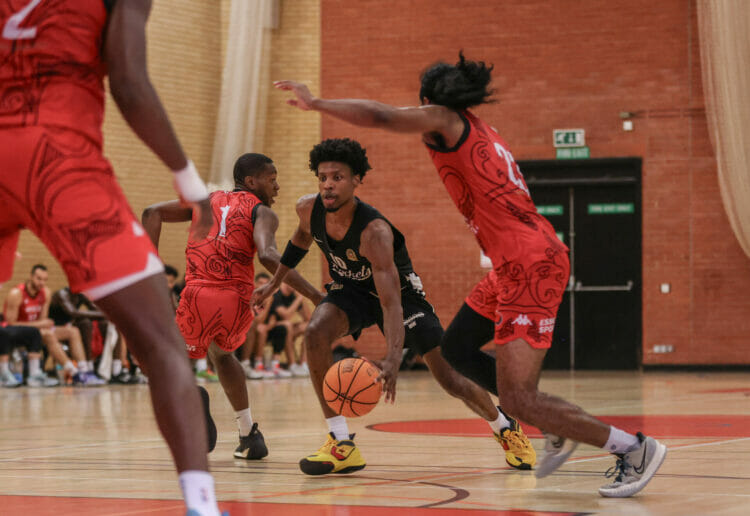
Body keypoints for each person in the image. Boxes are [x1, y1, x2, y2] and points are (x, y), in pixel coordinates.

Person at [274, 53, 667, 497]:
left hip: (530, 263)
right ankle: (550, 423)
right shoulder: (479, 128)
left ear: (428, 101)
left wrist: (317, 103)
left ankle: (633, 449)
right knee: (456, 350)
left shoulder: (444, 122)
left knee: (519, 398)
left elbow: (381, 116)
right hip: (511, 264)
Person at [0, 2, 222, 514]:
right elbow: (128, 80)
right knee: (164, 345)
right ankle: (202, 504)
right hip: (58, 162)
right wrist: (189, 181)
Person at [252, 138, 536, 475]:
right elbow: (300, 240)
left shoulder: (375, 232)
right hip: (350, 291)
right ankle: (341, 443)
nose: (328, 185)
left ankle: (504, 427)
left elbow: (390, 304)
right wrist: (274, 281)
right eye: (323, 177)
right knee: (314, 332)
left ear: (357, 180)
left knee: (449, 378)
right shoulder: (307, 208)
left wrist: (391, 357)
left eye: (337, 178)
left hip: (402, 297)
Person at [142, 152, 324, 460]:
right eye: (272, 179)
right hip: (236, 298)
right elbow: (268, 255)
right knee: (223, 357)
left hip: (197, 292)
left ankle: (191, 397)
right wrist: (314, 295)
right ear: (251, 181)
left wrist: (153, 271)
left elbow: (151, 213)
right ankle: (248, 433)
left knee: (177, 360)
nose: (277, 187)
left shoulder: (205, 200)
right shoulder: (263, 212)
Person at [4, 264, 101, 386]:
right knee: (48, 335)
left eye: (45, 280)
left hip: (36, 331)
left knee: (73, 331)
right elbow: (10, 323)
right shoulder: (16, 293)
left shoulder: (45, 293)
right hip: (16, 333)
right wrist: (40, 324)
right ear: (31, 277)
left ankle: (84, 370)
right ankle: (74, 372)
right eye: (39, 279)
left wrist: (41, 324)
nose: (42, 283)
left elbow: (43, 320)